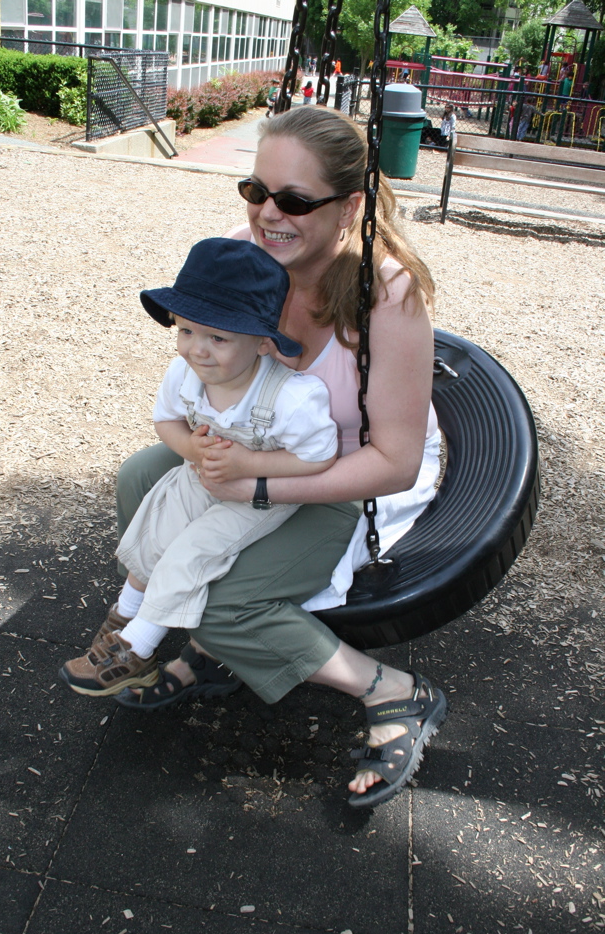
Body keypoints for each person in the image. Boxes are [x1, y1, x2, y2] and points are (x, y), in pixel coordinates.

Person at [114, 106, 447, 810]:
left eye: (294, 200)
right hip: (263, 453)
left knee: (225, 601)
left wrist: (255, 483)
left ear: (350, 205)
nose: (269, 214)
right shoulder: (245, 252)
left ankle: (395, 691)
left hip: (350, 475)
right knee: (145, 478)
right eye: (256, 190)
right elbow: (211, 368)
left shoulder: (386, 297)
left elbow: (395, 462)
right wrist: (205, 442)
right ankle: (217, 647)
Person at [60, 237, 338, 698]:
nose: (197, 350)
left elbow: (318, 457)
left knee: (192, 553)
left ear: (263, 343)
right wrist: (191, 447)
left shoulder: (293, 398)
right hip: (203, 475)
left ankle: (138, 649)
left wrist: (247, 463)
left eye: (218, 337)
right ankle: (124, 614)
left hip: (260, 494)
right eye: (186, 330)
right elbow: (165, 421)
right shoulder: (184, 374)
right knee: (157, 528)